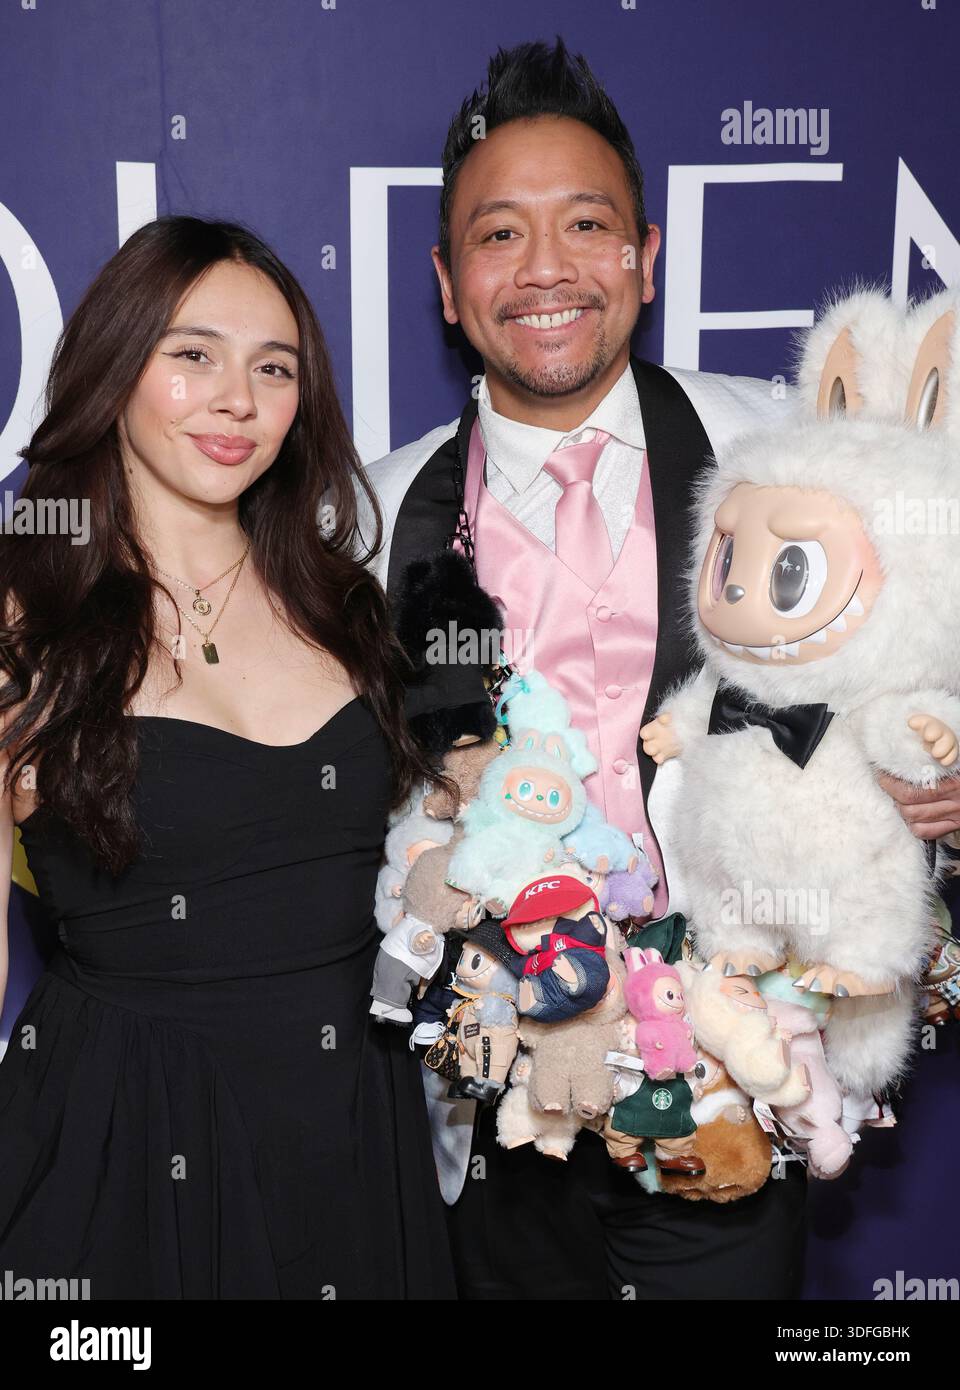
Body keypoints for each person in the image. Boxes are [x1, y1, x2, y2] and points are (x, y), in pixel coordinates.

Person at [356, 40, 960, 1300]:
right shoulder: (374, 516)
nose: (546, 269)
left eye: (586, 225)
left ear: (645, 255)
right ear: (450, 286)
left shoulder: (778, 451)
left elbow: (926, 631)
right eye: (500, 235)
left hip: (733, 1083)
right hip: (497, 1100)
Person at [0, 215, 455, 1299]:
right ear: (115, 364)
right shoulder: (26, 619)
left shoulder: (346, 603)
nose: (237, 400)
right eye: (193, 355)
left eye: (274, 368)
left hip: (356, 1128)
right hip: (124, 1137)